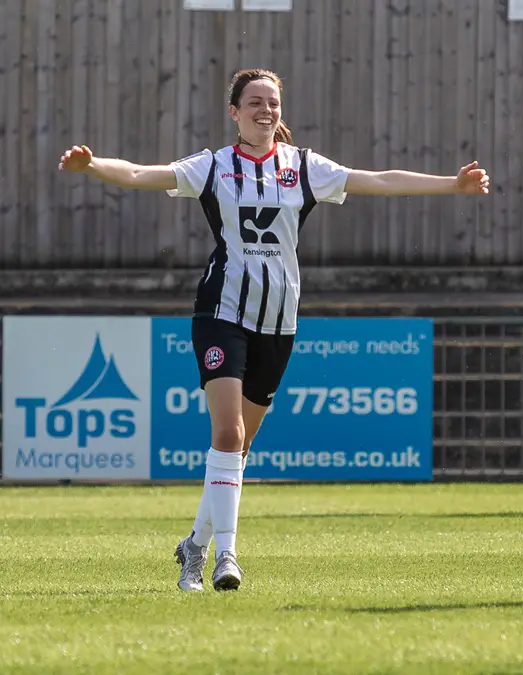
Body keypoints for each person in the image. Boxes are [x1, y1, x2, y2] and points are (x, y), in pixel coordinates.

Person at [57, 68, 490, 593]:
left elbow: (377, 180)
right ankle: (225, 558)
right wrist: (94, 165)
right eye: (255, 102)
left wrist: (453, 184)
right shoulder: (214, 166)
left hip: (278, 320)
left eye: (274, 104)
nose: (266, 110)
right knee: (228, 433)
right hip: (221, 312)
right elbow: (142, 174)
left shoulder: (303, 167)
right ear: (234, 112)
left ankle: (193, 545)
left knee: (238, 452)